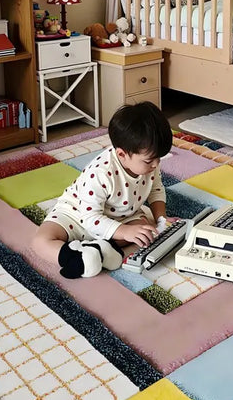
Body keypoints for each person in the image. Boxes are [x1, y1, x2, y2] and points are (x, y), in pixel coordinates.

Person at [31, 101, 177, 279]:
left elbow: (156, 190)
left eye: (158, 158)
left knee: (147, 232)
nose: (156, 164)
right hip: (78, 214)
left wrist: (161, 218)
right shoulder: (101, 173)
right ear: (122, 154)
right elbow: (90, 218)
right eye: (149, 160)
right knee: (40, 241)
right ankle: (77, 258)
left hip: (123, 215)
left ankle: (105, 252)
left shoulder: (150, 165)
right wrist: (124, 232)